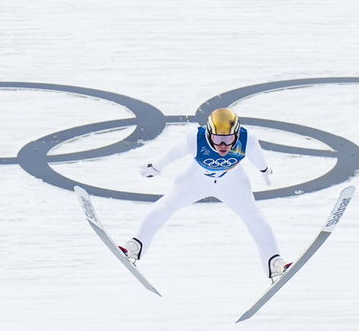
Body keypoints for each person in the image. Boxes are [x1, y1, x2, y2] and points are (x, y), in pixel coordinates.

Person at [119, 108, 290, 283]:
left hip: (232, 185)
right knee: (165, 206)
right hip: (194, 182)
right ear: (208, 134)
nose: (223, 145)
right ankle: (135, 245)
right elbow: (173, 153)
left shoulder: (247, 139)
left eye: (229, 139)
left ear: (237, 135)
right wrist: (156, 167)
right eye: (217, 139)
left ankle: (274, 262)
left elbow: (257, 157)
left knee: (254, 217)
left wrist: (264, 170)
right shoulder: (195, 138)